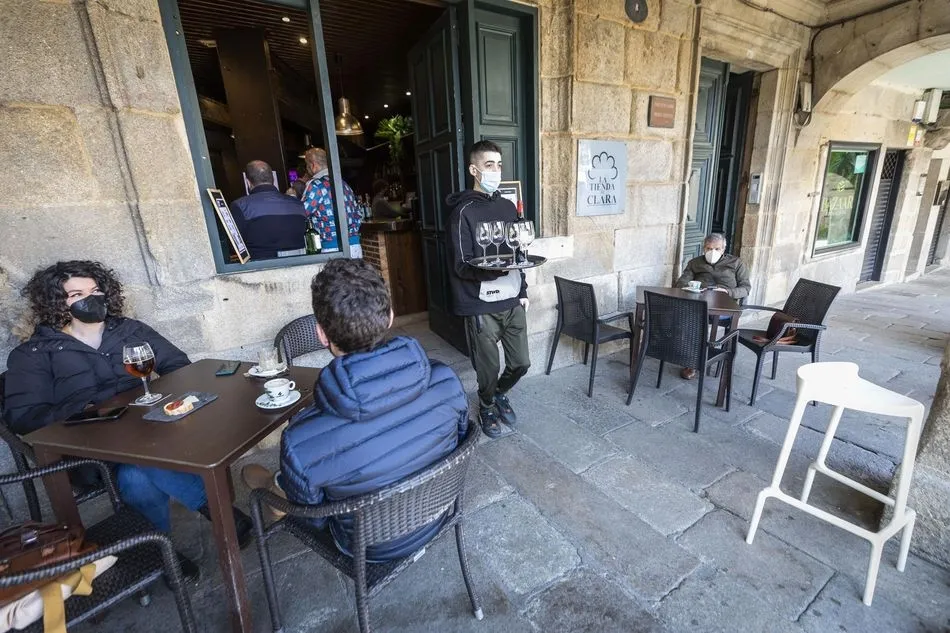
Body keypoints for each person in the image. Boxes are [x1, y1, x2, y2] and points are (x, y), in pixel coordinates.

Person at [2, 261, 253, 582]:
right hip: (89, 452)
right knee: (138, 466)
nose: (89, 299)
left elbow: (178, 365)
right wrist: (87, 408)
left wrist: (163, 395)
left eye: (95, 291)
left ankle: (158, 553)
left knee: (136, 474)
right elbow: (24, 416)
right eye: (76, 294)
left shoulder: (130, 330)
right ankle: (226, 517)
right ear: (55, 302)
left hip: (151, 432)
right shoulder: (35, 353)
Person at [241, 258, 468, 561]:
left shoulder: (301, 440)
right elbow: (460, 443)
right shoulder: (446, 382)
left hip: (365, 549)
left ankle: (274, 484)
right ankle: (275, 482)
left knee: (269, 483)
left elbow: (315, 519)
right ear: (389, 317)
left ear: (321, 334)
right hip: (435, 517)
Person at [444, 140, 530, 439]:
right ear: (474, 169)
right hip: (480, 303)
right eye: (489, 165)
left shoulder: (507, 206)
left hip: (512, 298)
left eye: (499, 165)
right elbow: (459, 264)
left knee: (521, 363)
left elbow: (519, 253)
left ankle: (496, 395)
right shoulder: (462, 212)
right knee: (488, 370)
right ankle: (486, 404)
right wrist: (490, 271)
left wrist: (524, 291)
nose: (496, 170)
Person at [674, 233, 752, 379]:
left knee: (701, 318)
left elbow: (746, 288)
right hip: (700, 301)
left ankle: (712, 354)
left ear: (723, 249)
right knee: (689, 317)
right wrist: (693, 287)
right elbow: (681, 283)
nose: (712, 252)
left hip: (725, 304)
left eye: (717, 249)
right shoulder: (695, 263)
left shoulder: (736, 263)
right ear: (704, 248)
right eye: (709, 248)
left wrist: (728, 291)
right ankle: (693, 360)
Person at [231, 160, 308, 259]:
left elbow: (236, 246)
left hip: (261, 268)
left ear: (248, 182)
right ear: (273, 180)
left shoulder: (240, 206)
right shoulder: (298, 204)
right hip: (301, 264)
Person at [302, 148, 363, 258]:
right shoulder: (344, 184)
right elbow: (358, 213)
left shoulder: (316, 185)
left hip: (332, 247)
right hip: (355, 246)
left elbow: (303, 213)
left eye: (307, 165)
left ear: (313, 165)